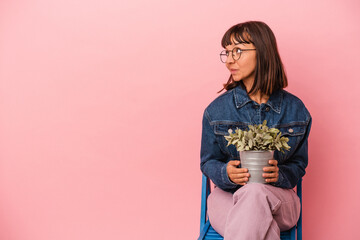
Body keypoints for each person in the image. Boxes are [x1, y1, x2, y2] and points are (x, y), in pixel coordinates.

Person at [200, 21, 312, 240]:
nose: (229, 59)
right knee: (258, 223)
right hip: (227, 198)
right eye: (227, 52)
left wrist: (281, 175)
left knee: (255, 192)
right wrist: (226, 174)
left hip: (279, 200)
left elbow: (299, 165)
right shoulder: (216, 111)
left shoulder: (296, 111)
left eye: (238, 51)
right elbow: (208, 162)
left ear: (262, 52)